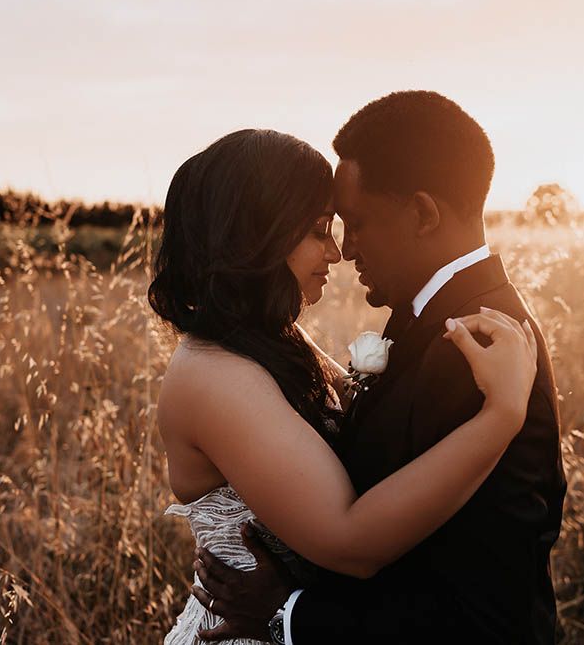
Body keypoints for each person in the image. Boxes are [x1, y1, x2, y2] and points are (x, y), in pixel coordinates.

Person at [190, 93, 567, 644]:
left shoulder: (478, 345)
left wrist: (288, 612)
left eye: (356, 223)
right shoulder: (420, 317)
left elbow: (485, 605)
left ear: (422, 213)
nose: (346, 250)